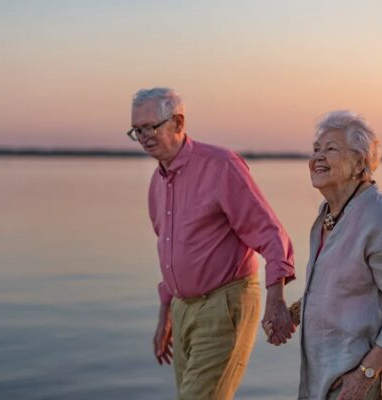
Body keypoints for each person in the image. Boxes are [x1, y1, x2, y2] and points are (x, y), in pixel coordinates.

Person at [128, 87, 296, 400]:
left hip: (224, 303)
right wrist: (166, 314)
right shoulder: (158, 181)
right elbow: (167, 250)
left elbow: (271, 233)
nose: (144, 136)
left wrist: (276, 298)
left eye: (150, 127)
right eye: (137, 130)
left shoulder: (221, 166)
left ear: (178, 123)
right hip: (182, 309)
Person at [266, 110, 382, 400]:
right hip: (323, 371)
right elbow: (343, 284)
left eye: (331, 149)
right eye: (316, 150)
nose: (317, 158)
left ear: (360, 162)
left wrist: (365, 374)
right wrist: (295, 313)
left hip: (357, 374)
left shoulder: (380, 215)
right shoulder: (329, 213)